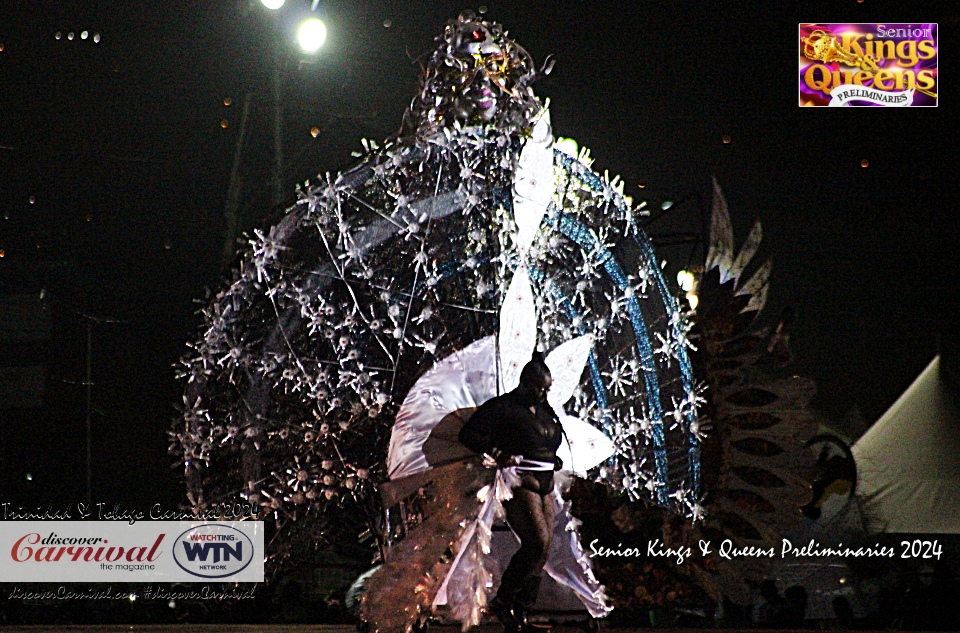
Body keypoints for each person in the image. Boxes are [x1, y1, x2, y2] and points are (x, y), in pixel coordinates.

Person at [458, 351, 564, 631]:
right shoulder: (502, 407)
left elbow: (552, 438)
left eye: (547, 389)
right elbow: (468, 435)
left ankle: (521, 608)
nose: (544, 394)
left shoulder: (545, 410)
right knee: (537, 541)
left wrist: (554, 457)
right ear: (525, 384)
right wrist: (496, 452)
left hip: (546, 480)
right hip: (519, 480)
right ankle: (504, 601)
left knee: (543, 549)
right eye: (539, 389)